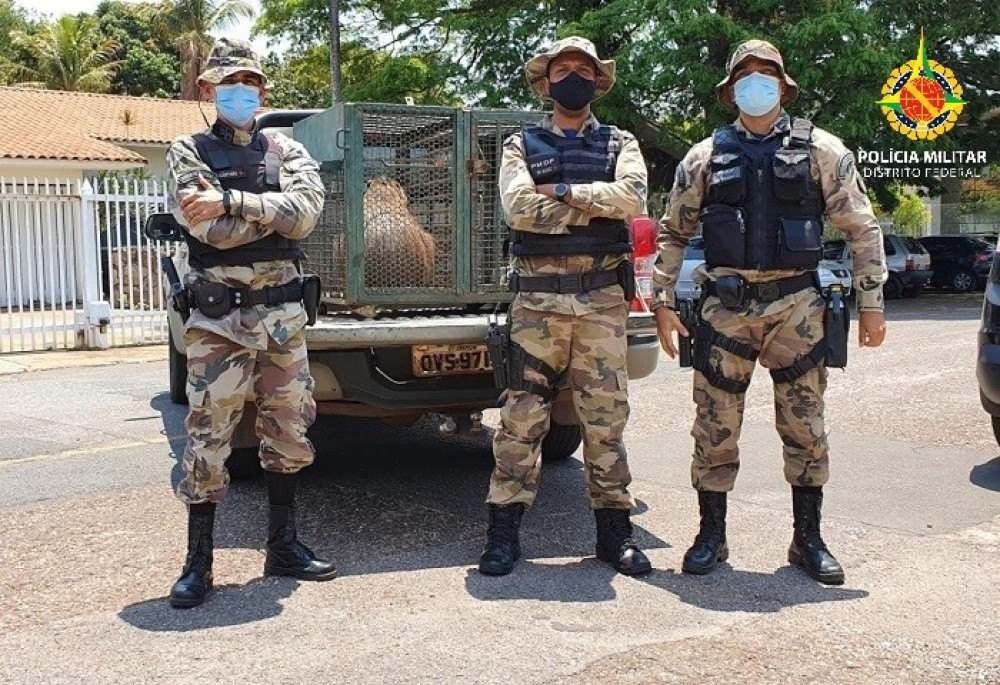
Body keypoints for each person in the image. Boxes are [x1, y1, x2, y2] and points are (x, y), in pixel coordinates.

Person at [652, 39, 888, 585]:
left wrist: (871, 303)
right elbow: (673, 230)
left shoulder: (822, 150)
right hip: (725, 309)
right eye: (745, 76)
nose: (756, 83)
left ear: (784, 86)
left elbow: (862, 227)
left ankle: (808, 539)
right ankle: (711, 534)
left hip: (797, 307)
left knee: (805, 427)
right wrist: (662, 301)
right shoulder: (703, 157)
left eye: (766, 75)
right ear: (731, 89)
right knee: (713, 428)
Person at [165, 38, 333, 609]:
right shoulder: (186, 151)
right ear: (207, 90)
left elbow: (306, 216)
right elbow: (207, 231)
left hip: (283, 321)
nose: (241, 92)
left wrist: (234, 202)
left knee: (289, 431)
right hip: (218, 322)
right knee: (210, 438)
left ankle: (283, 546)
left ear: (262, 91)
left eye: (250, 83)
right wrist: (268, 211)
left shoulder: (286, 148)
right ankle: (199, 563)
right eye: (228, 83)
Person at [480, 36, 651, 577]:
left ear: (597, 80)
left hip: (601, 303)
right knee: (520, 421)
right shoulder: (519, 144)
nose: (573, 76)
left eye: (583, 68)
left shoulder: (620, 142)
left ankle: (614, 535)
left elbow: (632, 198)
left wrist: (562, 193)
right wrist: (592, 201)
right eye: (562, 69)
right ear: (546, 82)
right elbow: (518, 208)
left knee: (606, 423)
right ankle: (503, 534)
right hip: (537, 305)